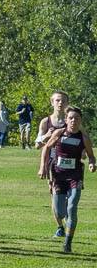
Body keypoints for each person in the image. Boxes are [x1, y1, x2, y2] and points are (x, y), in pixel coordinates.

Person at [38, 106, 96, 254]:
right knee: (60, 212)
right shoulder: (59, 133)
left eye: (76, 118)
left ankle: (68, 243)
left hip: (75, 176)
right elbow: (46, 148)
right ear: (66, 120)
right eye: (71, 118)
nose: (73, 120)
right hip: (58, 175)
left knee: (72, 208)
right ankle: (65, 222)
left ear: (80, 121)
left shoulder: (84, 138)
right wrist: (43, 167)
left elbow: (91, 155)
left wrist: (91, 163)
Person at [36, 91, 70, 236]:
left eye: (63, 101)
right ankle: (60, 226)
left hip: (69, 162)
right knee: (55, 194)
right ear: (52, 102)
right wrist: (47, 136)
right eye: (57, 100)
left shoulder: (72, 120)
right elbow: (37, 144)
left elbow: (82, 138)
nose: (60, 103)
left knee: (69, 195)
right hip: (52, 162)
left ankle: (69, 220)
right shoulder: (46, 122)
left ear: (67, 103)